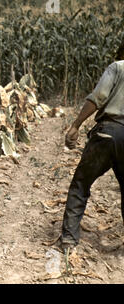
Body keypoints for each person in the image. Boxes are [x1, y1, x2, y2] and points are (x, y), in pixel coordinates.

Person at [61, 40, 124, 249]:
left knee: (81, 184)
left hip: (107, 133)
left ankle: (69, 239)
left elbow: (98, 97)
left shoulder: (117, 67)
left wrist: (76, 125)